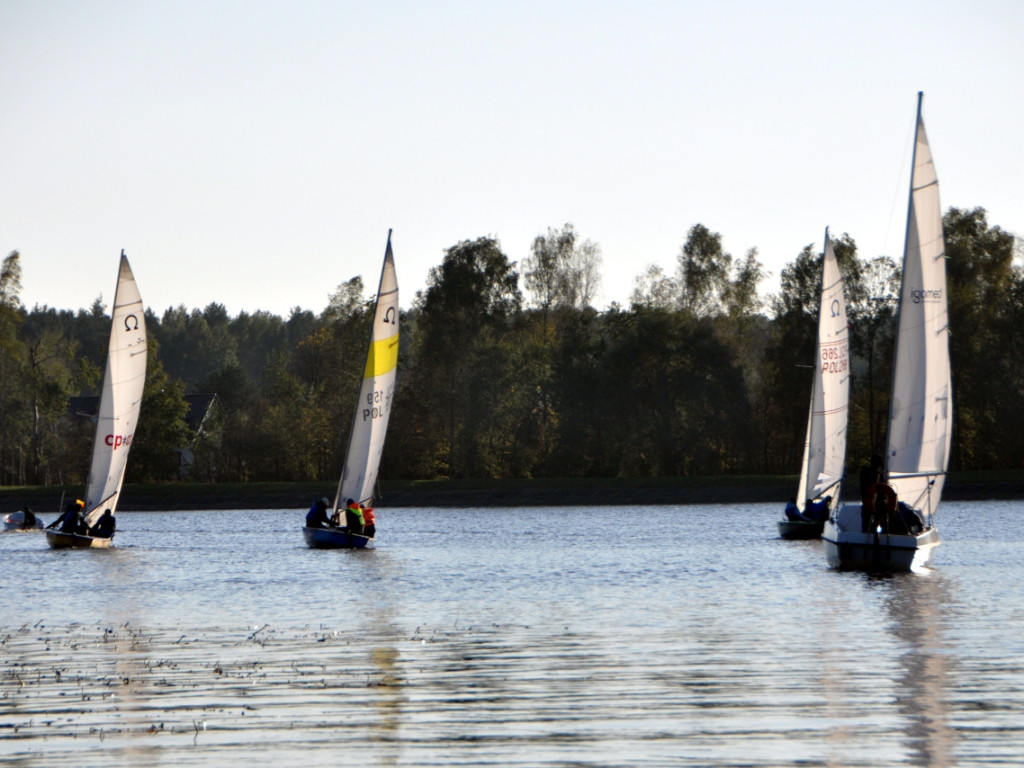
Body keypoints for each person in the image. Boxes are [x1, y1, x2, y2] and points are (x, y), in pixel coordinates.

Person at [859, 454, 884, 533]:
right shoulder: (879, 476)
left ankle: (867, 536)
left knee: (867, 526)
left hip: (869, 504)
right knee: (873, 524)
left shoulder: (864, 473)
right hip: (873, 505)